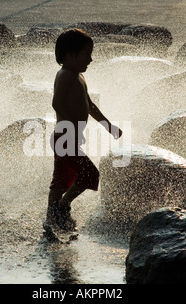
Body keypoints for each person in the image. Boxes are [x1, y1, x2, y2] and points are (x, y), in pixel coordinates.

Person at [46, 28, 123, 232]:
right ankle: (61, 207)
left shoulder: (78, 76)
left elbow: (90, 106)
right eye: (87, 54)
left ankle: (51, 220)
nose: (90, 59)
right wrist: (71, 127)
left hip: (67, 138)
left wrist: (108, 125)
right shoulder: (65, 75)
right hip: (64, 137)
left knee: (62, 179)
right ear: (71, 55)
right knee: (90, 174)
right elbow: (57, 103)